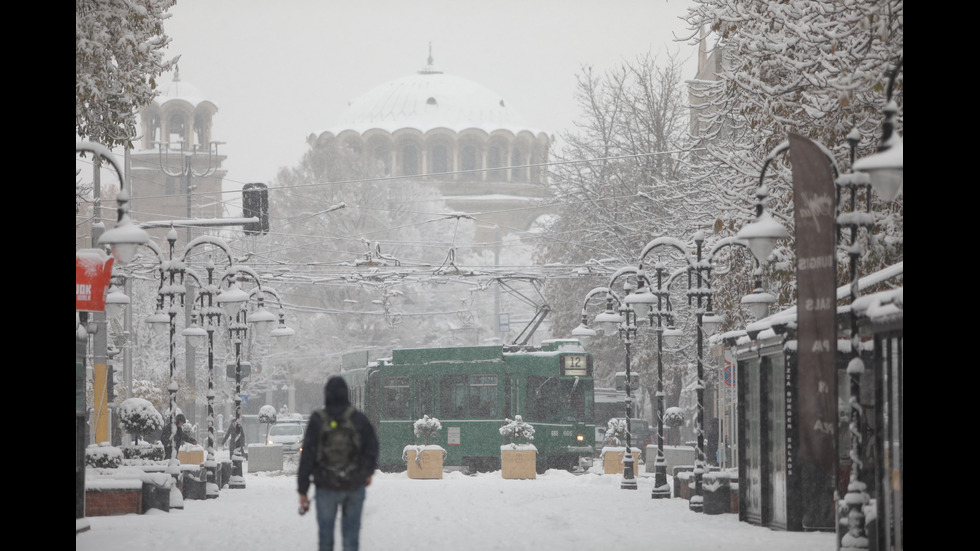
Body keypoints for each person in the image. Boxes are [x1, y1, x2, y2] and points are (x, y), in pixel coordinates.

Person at [298, 376, 379, 551]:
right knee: (351, 539)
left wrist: (303, 490)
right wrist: (366, 473)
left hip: (325, 486)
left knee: (326, 539)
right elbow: (372, 448)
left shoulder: (317, 420)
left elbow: (307, 456)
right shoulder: (358, 419)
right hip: (354, 485)